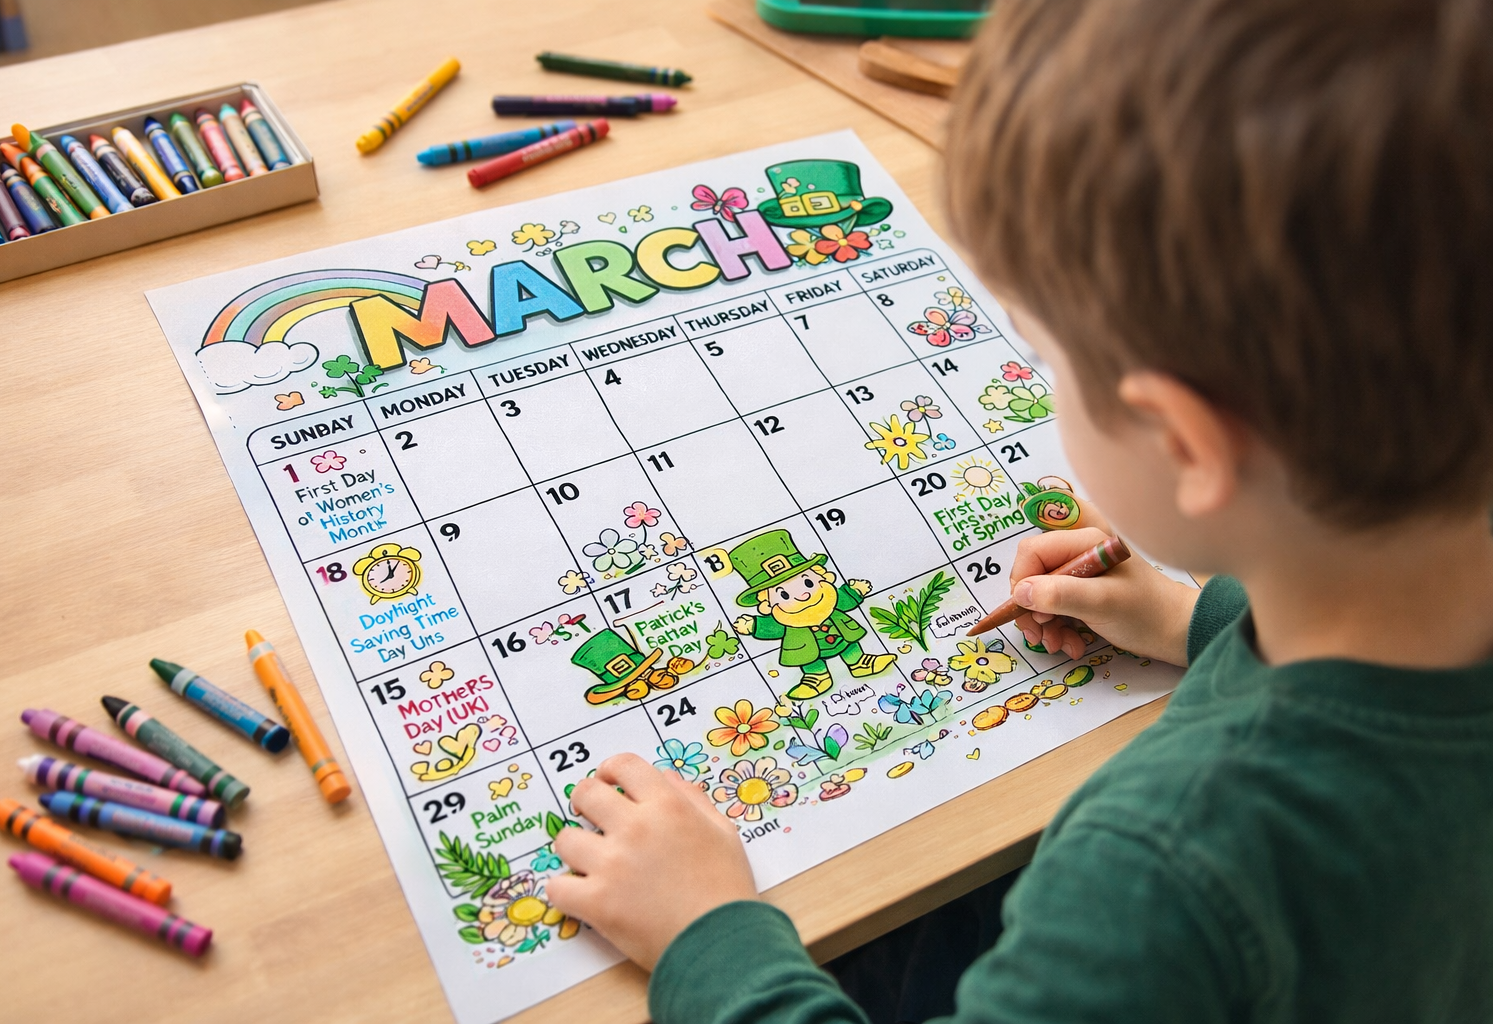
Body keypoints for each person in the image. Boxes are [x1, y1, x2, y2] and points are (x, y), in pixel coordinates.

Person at [545, 0, 1493, 1020]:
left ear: (1183, 442)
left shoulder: (1157, 874)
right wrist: (1201, 619)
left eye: (1048, 357)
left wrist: (707, 934)